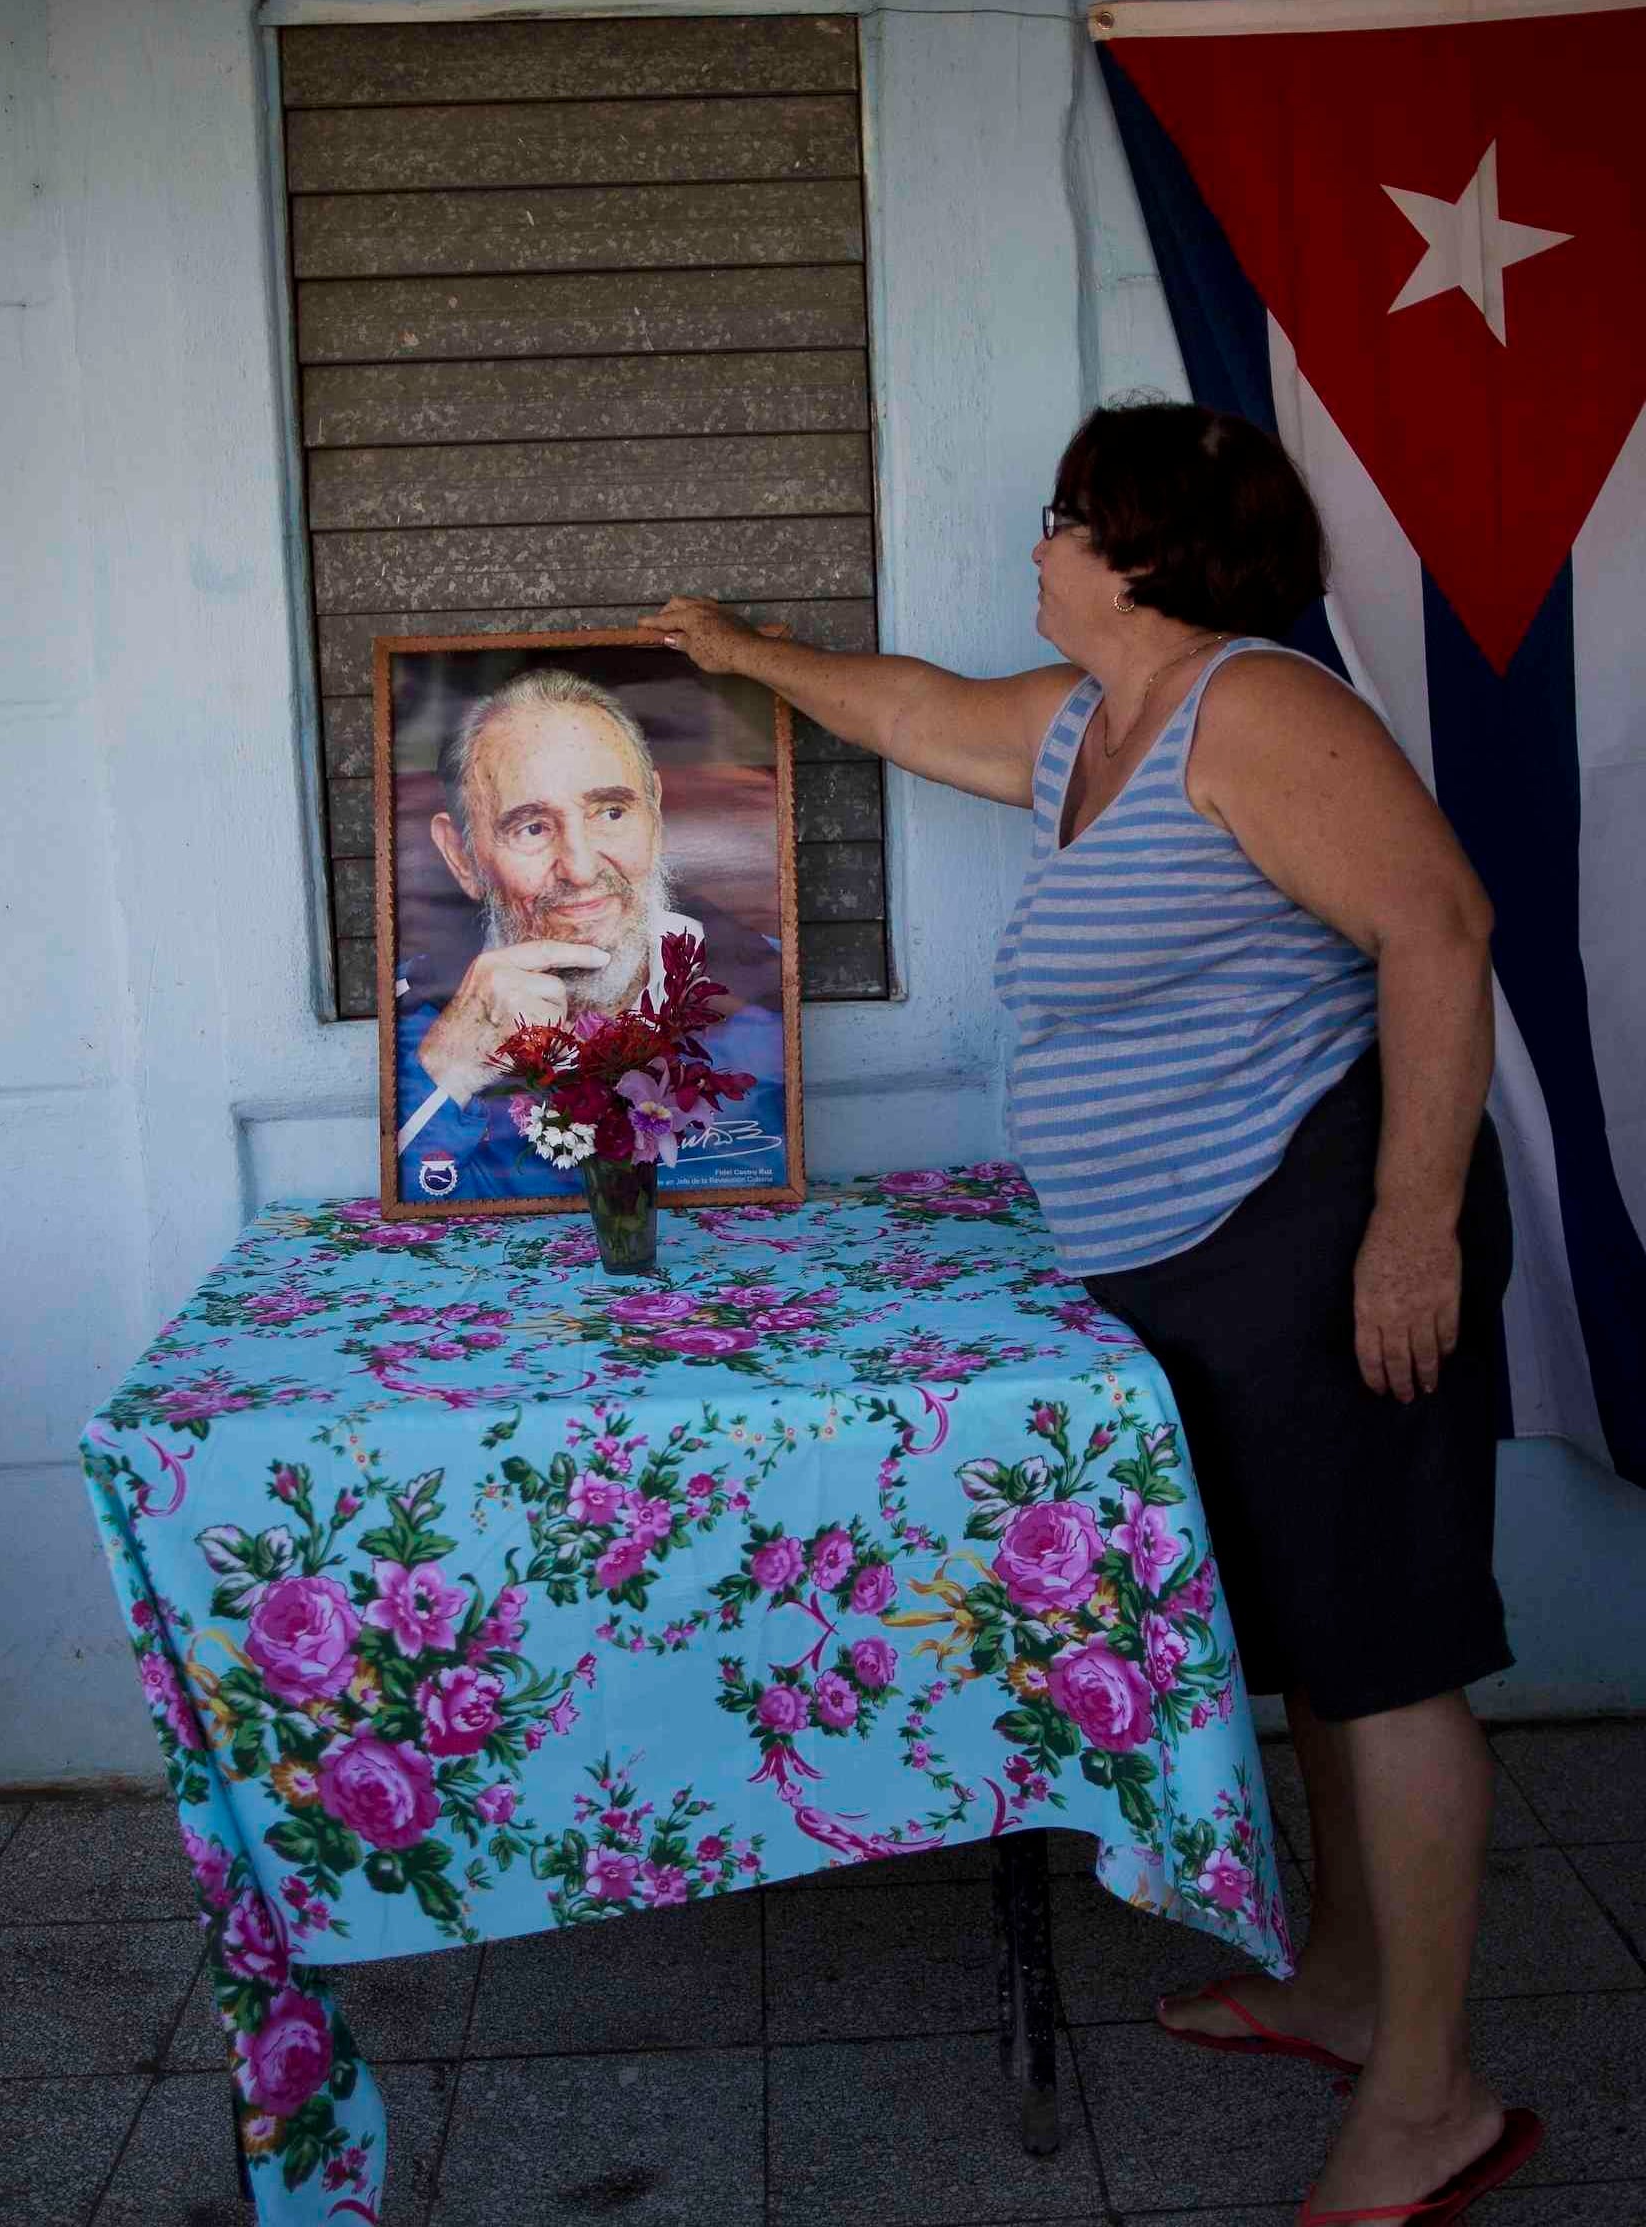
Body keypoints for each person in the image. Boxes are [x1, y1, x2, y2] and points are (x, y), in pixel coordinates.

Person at [655, 399, 1536, 2225]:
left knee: (1386, 1653)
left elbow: (1440, 926)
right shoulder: (1087, 726)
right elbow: (904, 706)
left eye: (1061, 518)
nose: (1034, 545)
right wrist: (738, 654)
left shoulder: (1262, 707)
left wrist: (1411, 1230)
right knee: (1305, 1641)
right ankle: (1351, 1984)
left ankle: (1435, 2090)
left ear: (1137, 548)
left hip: (1320, 1238)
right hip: (1195, 1258)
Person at [391, 666, 788, 1203]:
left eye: (611, 811)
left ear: (656, 816)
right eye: (531, 827)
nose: (579, 868)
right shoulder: (411, 1015)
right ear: (462, 856)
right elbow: (405, 1205)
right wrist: (447, 1069)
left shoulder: (769, 990)